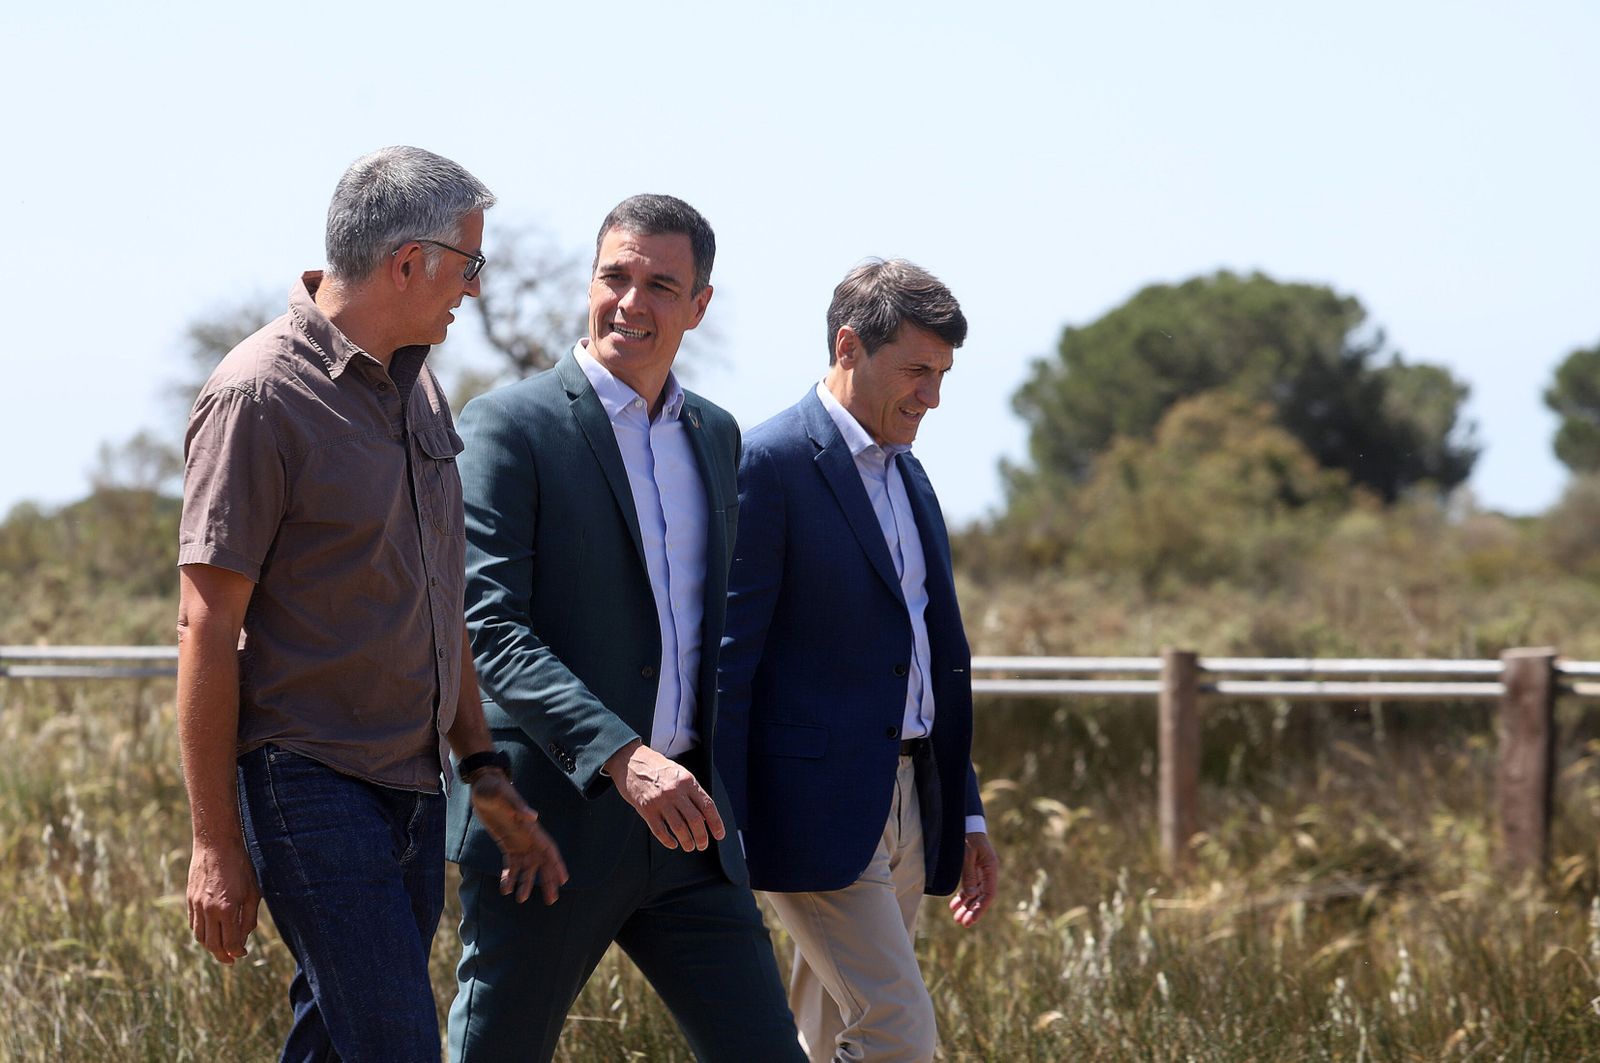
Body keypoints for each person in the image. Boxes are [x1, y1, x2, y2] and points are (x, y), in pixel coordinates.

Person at [177, 145, 566, 1062]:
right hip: (305, 779)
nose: (473, 287)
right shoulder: (257, 394)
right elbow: (205, 626)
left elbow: (441, 601)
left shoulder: (419, 386)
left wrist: (484, 770)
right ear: (408, 262)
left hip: (414, 788)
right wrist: (213, 842)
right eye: (469, 262)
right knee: (397, 1045)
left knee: (337, 1038)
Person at [444, 194, 803, 1062]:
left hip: (690, 832)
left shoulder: (716, 435)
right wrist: (622, 754)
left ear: (699, 305)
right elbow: (487, 627)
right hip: (541, 827)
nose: (631, 302)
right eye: (615, 276)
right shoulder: (509, 425)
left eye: (660, 283)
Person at [717, 258, 1003, 1062]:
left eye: (942, 374)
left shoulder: (912, 477)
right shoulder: (766, 463)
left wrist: (967, 809)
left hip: (914, 798)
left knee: (829, 1030)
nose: (932, 397)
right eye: (917, 370)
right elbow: (731, 664)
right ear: (849, 345)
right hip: (811, 811)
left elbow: (928, 660)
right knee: (898, 1033)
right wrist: (722, 830)